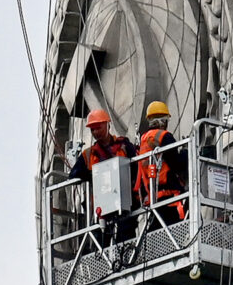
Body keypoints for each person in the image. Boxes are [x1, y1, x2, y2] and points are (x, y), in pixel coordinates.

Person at [69, 109, 138, 243]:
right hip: (102, 207)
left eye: (98, 128)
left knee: (126, 236)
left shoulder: (124, 146)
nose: (95, 132)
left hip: (125, 202)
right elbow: (73, 176)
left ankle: (127, 259)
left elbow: (136, 165)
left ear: (107, 125)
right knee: (101, 240)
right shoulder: (88, 155)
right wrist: (91, 175)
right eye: (92, 130)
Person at [134, 101, 188, 228]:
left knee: (159, 234)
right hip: (169, 197)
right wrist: (186, 151)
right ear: (163, 121)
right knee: (185, 227)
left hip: (154, 196)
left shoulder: (144, 140)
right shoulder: (164, 136)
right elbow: (177, 163)